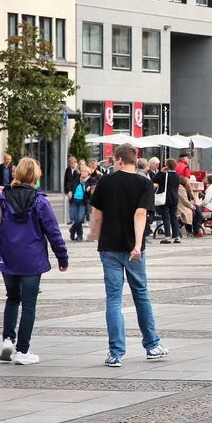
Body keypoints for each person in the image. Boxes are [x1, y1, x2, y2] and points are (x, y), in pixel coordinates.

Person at [0, 158, 68, 366]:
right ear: (35, 176)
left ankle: (8, 340)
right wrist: (62, 258)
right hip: (32, 260)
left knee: (12, 298)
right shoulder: (40, 202)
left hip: (8, 258)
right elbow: (53, 233)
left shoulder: (3, 200)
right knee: (29, 304)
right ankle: (22, 351)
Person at [87, 144, 169, 367]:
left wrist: (94, 237)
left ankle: (115, 353)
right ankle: (152, 345)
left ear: (120, 160)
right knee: (141, 294)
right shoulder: (144, 183)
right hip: (134, 248)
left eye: (114, 160)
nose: (113, 164)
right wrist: (138, 244)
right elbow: (140, 214)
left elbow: (96, 216)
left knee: (113, 299)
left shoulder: (105, 182)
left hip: (109, 247)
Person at [153, 158, 181, 243]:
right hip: (175, 198)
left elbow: (154, 179)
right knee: (174, 217)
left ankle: (167, 236)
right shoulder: (177, 176)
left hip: (166, 198)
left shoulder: (165, 175)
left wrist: (161, 171)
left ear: (167, 166)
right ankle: (177, 236)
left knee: (166, 217)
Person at [68, 165, 92, 241]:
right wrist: (70, 191)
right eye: (82, 171)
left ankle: (72, 230)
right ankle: (79, 236)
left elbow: (96, 185)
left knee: (80, 219)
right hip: (74, 200)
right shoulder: (77, 179)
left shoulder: (90, 180)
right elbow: (70, 185)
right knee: (76, 218)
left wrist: (90, 188)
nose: (83, 173)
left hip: (83, 201)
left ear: (88, 173)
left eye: (85, 171)